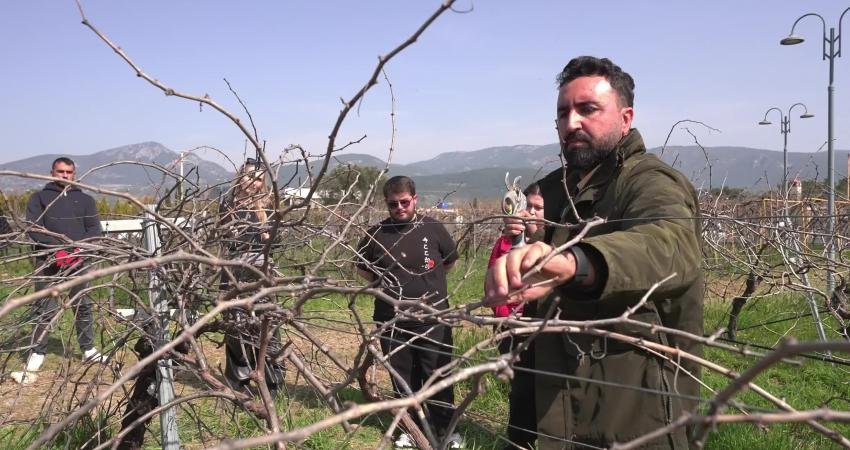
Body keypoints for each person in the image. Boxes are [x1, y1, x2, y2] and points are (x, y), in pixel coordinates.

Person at [485, 56, 703, 449]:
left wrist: (576, 263)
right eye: (563, 113)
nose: (571, 123)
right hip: (548, 402)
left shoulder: (650, 182)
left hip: (634, 418)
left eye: (588, 110)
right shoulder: (553, 189)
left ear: (625, 117)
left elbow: (671, 244)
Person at [356, 176, 463, 449]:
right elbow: (363, 269)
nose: (400, 208)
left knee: (438, 374)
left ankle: (446, 430)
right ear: (387, 204)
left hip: (433, 317)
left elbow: (449, 263)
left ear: (415, 199)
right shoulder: (375, 234)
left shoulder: (433, 228)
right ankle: (411, 430)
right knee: (402, 378)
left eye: (405, 202)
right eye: (393, 204)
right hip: (392, 319)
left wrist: (427, 284)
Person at [13, 157, 106, 384]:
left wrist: (77, 250)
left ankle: (88, 349)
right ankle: (38, 352)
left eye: (69, 172)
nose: (64, 175)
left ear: (74, 174)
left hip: (78, 261)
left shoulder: (85, 200)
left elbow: (94, 229)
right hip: (48, 262)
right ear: (52, 172)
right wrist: (56, 250)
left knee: (82, 306)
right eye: (60, 171)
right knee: (44, 309)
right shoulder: (39, 198)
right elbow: (33, 227)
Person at [218, 159, 285, 393]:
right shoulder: (227, 203)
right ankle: (240, 381)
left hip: (261, 272)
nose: (253, 183)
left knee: (267, 325)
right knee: (236, 327)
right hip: (234, 272)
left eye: (258, 179)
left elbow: (277, 241)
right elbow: (225, 238)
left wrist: (269, 236)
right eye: (249, 177)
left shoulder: (267, 204)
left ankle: (272, 379)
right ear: (240, 177)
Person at [488, 183, 544, 450]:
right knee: (519, 391)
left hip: (545, 328)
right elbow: (494, 282)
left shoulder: (555, 243)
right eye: (528, 206)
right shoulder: (505, 242)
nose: (530, 212)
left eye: (538, 208)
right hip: (511, 327)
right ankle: (519, 441)